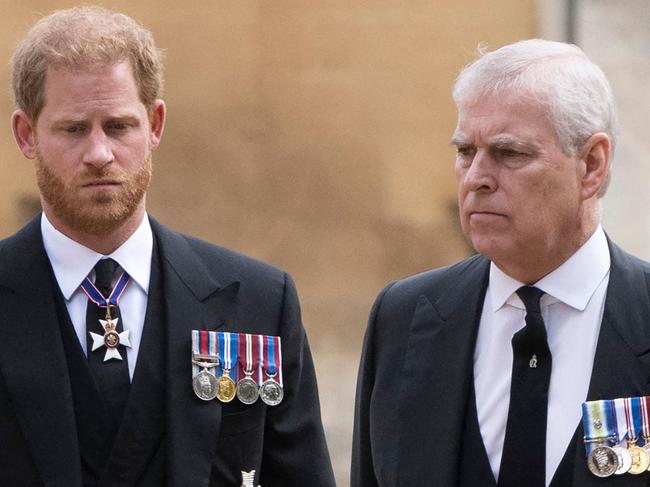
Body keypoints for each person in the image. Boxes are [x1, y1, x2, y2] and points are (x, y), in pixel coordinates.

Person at [0, 7, 335, 487]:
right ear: (26, 134)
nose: (99, 154)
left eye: (118, 126)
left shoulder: (258, 301)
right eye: (74, 129)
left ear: (154, 125)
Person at [352, 39, 647, 487]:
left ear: (591, 165)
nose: (476, 179)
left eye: (510, 154)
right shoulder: (405, 316)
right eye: (465, 151)